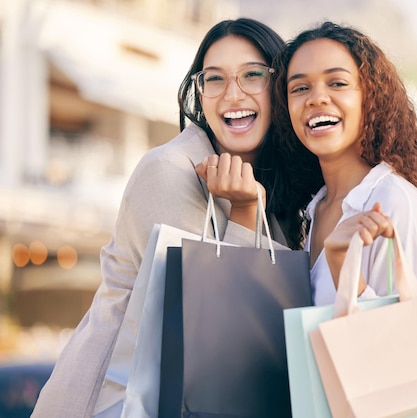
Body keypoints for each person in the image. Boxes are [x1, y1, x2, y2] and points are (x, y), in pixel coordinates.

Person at [32, 18, 302, 417]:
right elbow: (212, 333)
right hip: (112, 404)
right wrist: (244, 213)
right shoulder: (170, 170)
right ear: (199, 91)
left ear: (279, 87)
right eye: (214, 79)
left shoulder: (275, 195)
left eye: (252, 75)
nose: (233, 94)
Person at [271, 21, 417, 305]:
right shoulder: (316, 209)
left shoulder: (394, 202)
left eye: (337, 83)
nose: (316, 98)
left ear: (370, 97)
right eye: (299, 88)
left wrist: (345, 273)